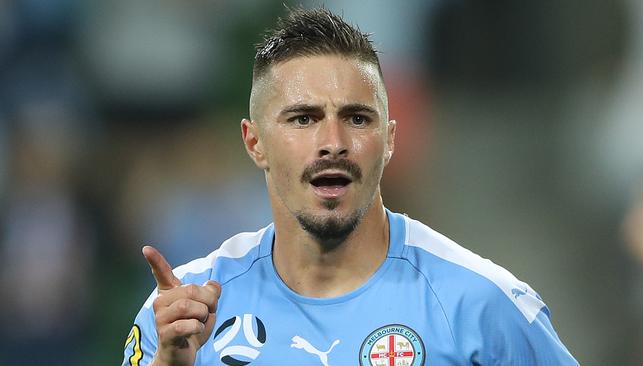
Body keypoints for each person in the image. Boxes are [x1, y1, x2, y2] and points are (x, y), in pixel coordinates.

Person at [122, 8, 578, 366]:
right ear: (255, 142)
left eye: (357, 119)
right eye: (304, 119)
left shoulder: (479, 305)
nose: (333, 144)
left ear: (390, 140)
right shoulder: (184, 312)